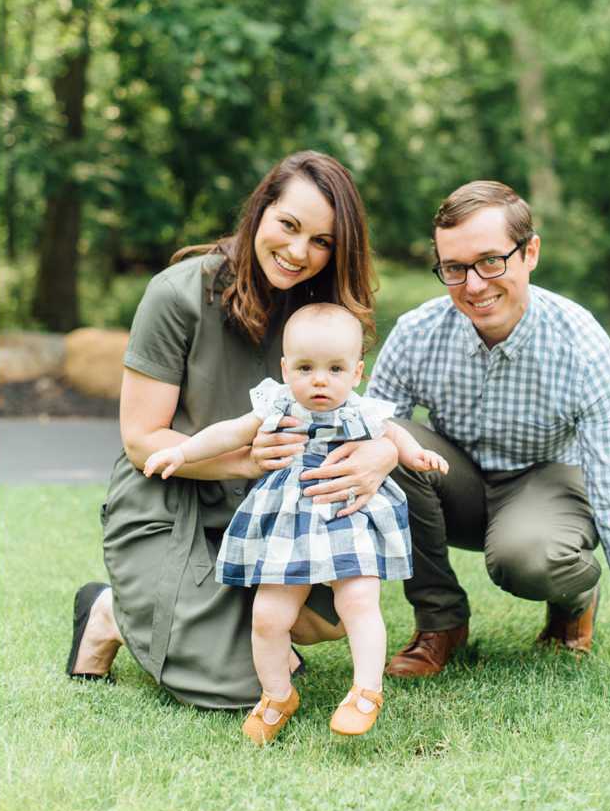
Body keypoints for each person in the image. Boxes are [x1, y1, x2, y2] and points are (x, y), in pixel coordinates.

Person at [65, 151, 402, 712]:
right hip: (173, 495)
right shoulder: (177, 294)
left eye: (322, 242)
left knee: (327, 619)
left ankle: (219, 615)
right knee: (238, 687)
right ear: (260, 210)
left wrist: (384, 454)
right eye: (289, 226)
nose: (299, 252)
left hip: (279, 505)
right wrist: (242, 461)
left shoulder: (328, 311)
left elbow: (367, 415)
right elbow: (142, 438)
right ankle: (109, 613)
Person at [367, 180, 610, 700]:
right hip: (459, 484)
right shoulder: (416, 333)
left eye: (491, 261)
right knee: (383, 438)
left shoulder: (581, 346)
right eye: (454, 268)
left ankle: (574, 598)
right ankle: (440, 623)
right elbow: (364, 445)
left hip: (550, 486)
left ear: (530, 252)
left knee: (530, 556)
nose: (473, 285)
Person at [143, 303, 446, 742]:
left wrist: (414, 454)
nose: (320, 379)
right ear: (285, 369)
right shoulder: (278, 404)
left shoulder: (361, 411)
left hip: (346, 514)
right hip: (287, 521)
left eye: (335, 368)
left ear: (357, 371)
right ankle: (277, 695)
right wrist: (183, 452)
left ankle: (366, 691)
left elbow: (393, 434)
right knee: (269, 615)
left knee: (359, 601)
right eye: (306, 367)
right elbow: (231, 431)